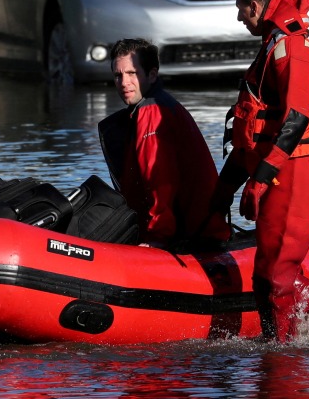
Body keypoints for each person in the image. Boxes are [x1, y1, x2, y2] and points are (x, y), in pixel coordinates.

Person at [206, 0, 309, 342]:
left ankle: (282, 358)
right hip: (290, 164)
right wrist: (226, 190)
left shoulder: (293, 48)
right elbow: (259, 125)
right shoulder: (277, 42)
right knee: (275, 266)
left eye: (240, 9)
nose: (239, 18)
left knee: (274, 274)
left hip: (300, 167)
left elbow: (296, 119)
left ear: (255, 6)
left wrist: (260, 179)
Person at [97, 39, 230, 250]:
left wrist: (158, 237)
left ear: (151, 74)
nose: (124, 83)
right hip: (193, 230)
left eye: (132, 73)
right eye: (118, 75)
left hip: (192, 238)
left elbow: (160, 181)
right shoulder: (155, 105)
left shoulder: (152, 112)